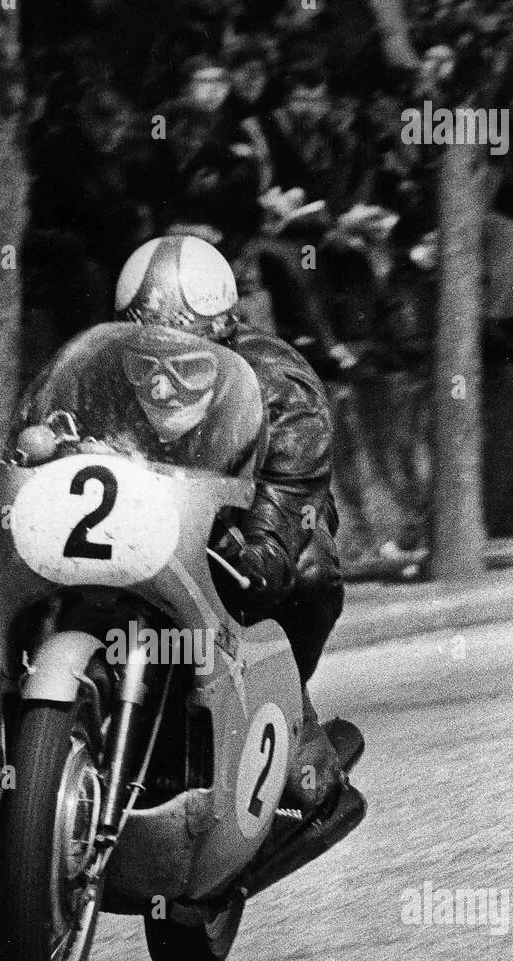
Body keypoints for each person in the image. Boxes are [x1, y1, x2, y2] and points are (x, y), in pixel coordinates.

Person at [113, 234, 346, 817]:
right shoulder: (111, 377)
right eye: (145, 354)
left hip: (241, 536)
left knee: (307, 568)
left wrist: (255, 548)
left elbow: (289, 495)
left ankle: (286, 712)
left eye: (179, 359)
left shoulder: (278, 384)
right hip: (136, 539)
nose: (159, 382)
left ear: (218, 334)